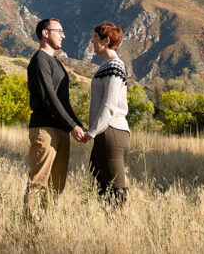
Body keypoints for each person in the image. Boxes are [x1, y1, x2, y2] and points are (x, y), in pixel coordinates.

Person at [24, 17, 88, 213]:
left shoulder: (55, 62)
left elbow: (63, 101)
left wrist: (77, 125)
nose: (63, 35)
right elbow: (49, 99)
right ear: (45, 33)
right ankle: (30, 228)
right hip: (44, 130)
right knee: (39, 182)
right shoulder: (39, 61)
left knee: (57, 185)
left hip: (61, 130)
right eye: (58, 31)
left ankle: (47, 223)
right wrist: (72, 126)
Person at [85, 21, 130, 206]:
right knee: (100, 183)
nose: (92, 41)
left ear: (107, 40)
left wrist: (92, 131)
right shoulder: (106, 65)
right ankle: (108, 224)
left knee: (115, 185)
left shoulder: (115, 66)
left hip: (111, 130)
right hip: (105, 132)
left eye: (96, 37)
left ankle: (119, 226)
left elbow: (110, 105)